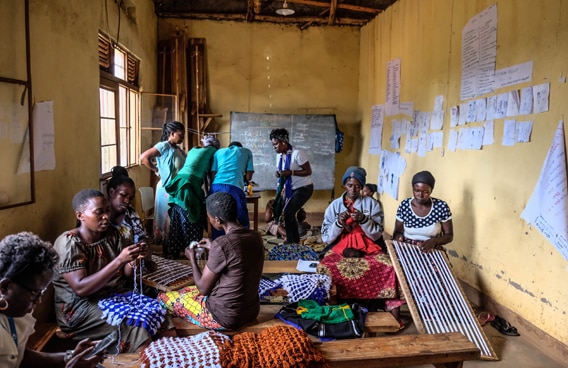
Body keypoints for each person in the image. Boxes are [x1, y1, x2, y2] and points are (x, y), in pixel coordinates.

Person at [52, 189, 176, 354]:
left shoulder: (111, 234)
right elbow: (81, 289)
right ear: (80, 216)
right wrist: (119, 260)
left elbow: (125, 274)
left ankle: (169, 359)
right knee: (134, 325)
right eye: (99, 212)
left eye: (107, 211)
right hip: (80, 307)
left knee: (158, 311)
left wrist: (133, 260)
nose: (105, 216)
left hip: (112, 295)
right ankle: (144, 361)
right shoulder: (69, 244)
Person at [158, 192, 265, 330]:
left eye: (209, 218)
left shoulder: (222, 245)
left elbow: (203, 289)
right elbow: (236, 255)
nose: (209, 221)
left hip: (225, 317)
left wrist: (191, 258)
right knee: (186, 290)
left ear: (217, 220)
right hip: (251, 311)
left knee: (164, 298)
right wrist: (213, 246)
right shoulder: (256, 236)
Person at [0, 231, 104, 368]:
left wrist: (70, 356)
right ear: (6, 287)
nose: (39, 301)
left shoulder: (14, 310)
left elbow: (19, 355)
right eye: (35, 293)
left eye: (42, 292)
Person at [317, 166, 405, 326]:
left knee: (386, 266)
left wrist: (364, 220)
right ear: (344, 185)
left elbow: (377, 234)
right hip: (340, 243)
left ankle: (379, 306)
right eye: (350, 185)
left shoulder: (373, 204)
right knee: (326, 266)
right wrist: (339, 223)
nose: (353, 189)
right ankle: (335, 306)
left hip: (368, 244)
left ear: (362, 186)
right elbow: (326, 237)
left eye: (357, 186)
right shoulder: (335, 206)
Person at [163, 135, 220, 258]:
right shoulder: (214, 152)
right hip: (188, 185)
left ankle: (174, 254)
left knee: (177, 220)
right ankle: (193, 253)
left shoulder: (194, 149)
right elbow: (210, 176)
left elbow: (200, 172)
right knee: (193, 218)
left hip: (178, 183)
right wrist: (209, 193)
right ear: (215, 146)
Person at [139, 121, 186, 248]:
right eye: (180, 135)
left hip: (176, 189)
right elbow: (144, 157)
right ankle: (167, 246)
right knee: (167, 218)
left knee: (175, 217)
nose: (182, 137)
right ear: (172, 133)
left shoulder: (177, 149)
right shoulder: (164, 146)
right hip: (166, 189)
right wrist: (156, 170)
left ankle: (174, 244)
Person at [269, 128, 314, 244]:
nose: (274, 147)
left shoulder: (297, 154)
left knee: (289, 211)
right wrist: (279, 174)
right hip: (290, 189)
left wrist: (291, 173)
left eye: (276, 144)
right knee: (285, 212)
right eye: (273, 145)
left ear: (284, 142)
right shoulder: (279, 156)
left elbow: (308, 171)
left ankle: (293, 242)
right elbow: (283, 172)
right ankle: (291, 239)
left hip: (304, 188)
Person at [392, 170, 453, 252]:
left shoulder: (441, 206)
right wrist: (398, 238)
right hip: (407, 248)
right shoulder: (404, 205)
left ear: (431, 191)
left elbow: (449, 236)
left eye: (425, 192)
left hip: (431, 248)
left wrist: (434, 241)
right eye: (417, 190)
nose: (420, 195)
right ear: (412, 188)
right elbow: (397, 231)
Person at [209, 141, 255, 239]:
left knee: (217, 215)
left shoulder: (218, 152)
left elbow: (213, 173)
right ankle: (242, 241)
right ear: (240, 147)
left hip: (216, 186)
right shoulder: (247, 152)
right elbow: (249, 177)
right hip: (234, 187)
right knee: (240, 215)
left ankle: (219, 243)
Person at [107, 166, 150, 251]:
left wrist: (143, 245)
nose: (127, 201)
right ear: (112, 192)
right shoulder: (99, 215)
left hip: (129, 261)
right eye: (123, 195)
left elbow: (142, 236)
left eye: (131, 198)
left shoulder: (130, 213)